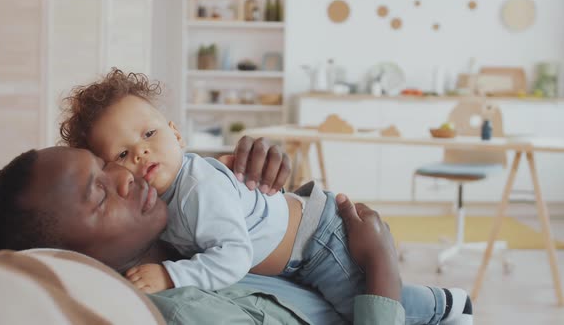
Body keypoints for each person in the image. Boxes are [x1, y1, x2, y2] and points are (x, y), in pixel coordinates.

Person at [58, 68, 472, 324]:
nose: (142, 152)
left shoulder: (197, 190)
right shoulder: (166, 204)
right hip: (289, 254)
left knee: (355, 305)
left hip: (314, 241)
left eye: (149, 135)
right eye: (123, 154)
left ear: (177, 134)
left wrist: (172, 275)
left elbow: (233, 255)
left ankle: (444, 306)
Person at [0, 142, 405, 323]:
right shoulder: (187, 313)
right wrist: (381, 265)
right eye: (100, 196)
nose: (125, 175)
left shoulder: (186, 242)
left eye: (107, 164)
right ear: (71, 256)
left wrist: (253, 189)